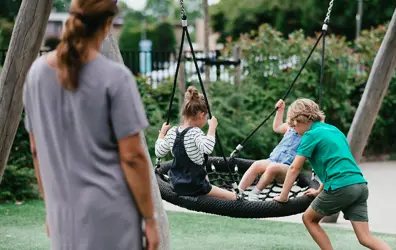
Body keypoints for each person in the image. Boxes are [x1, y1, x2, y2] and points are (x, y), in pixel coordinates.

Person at [22, 1, 159, 249]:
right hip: (112, 218)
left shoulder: (36, 74)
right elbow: (132, 156)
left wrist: (51, 208)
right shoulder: (116, 78)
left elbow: (36, 151)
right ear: (108, 24)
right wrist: (150, 219)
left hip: (64, 216)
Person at [273, 98, 391, 250]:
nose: (294, 129)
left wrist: (283, 197)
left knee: (309, 219)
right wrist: (318, 191)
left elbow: (294, 168)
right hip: (360, 185)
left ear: (301, 120)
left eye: (294, 125)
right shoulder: (334, 130)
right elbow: (336, 165)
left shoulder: (310, 135)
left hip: (341, 186)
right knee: (365, 237)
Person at [155, 86, 237, 200]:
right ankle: (239, 199)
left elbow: (159, 151)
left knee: (199, 164)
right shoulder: (195, 133)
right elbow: (208, 148)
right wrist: (212, 127)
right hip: (195, 186)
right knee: (233, 197)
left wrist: (162, 133)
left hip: (176, 185)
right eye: (206, 116)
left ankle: (207, 184)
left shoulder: (173, 131)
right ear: (201, 115)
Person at [238, 99, 303, 201]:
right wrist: (280, 111)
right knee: (256, 165)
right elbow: (277, 127)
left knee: (273, 167)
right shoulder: (289, 128)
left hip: (287, 169)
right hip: (273, 160)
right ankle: (239, 191)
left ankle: (255, 193)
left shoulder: (308, 134)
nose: (294, 126)